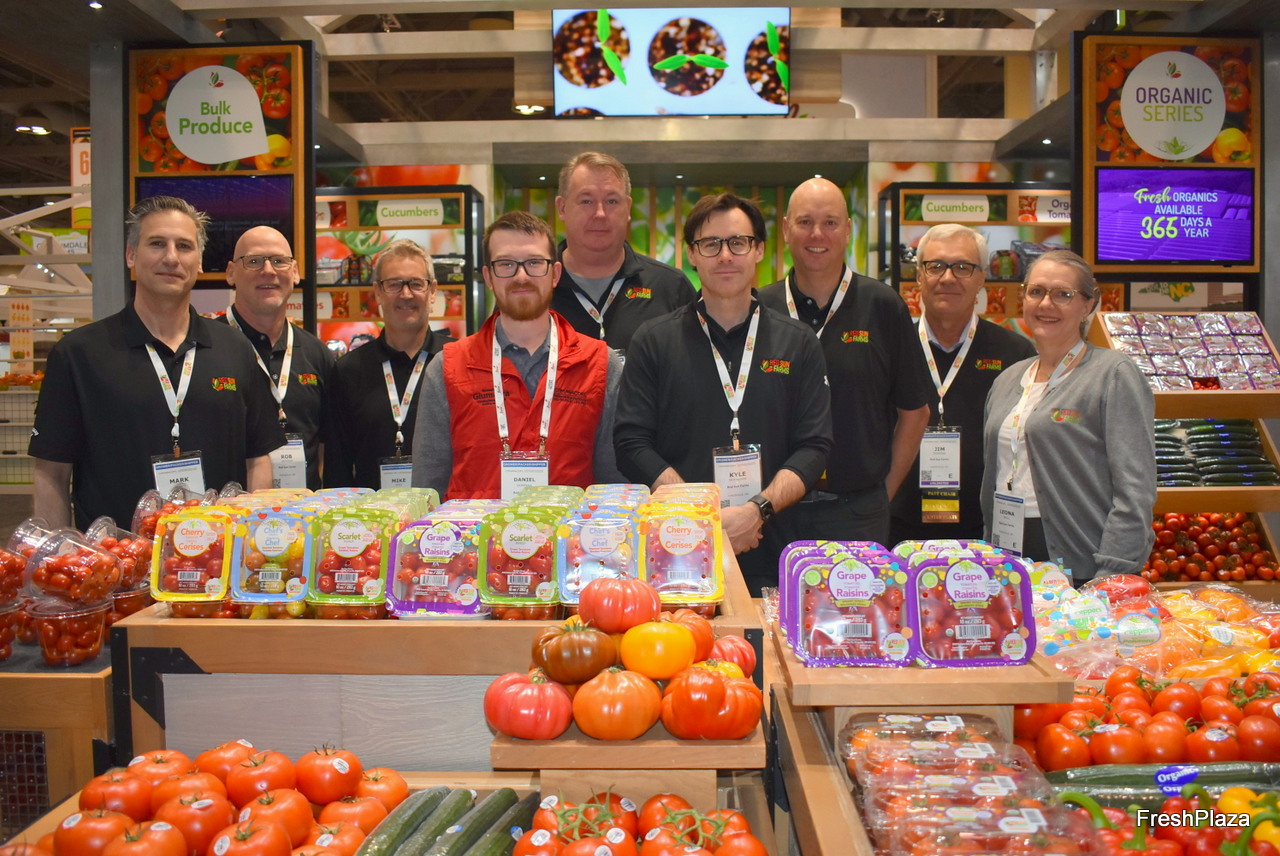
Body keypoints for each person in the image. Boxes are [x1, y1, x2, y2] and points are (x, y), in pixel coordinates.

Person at [615, 193, 832, 594]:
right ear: (692, 255)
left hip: (774, 547)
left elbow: (815, 446)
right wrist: (697, 512)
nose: (725, 256)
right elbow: (631, 442)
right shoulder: (654, 340)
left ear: (759, 250)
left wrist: (757, 511)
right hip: (677, 547)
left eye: (738, 242)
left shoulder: (798, 342)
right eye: (710, 244)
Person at [30, 196, 283, 530]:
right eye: (157, 243)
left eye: (184, 246)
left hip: (216, 555)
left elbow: (258, 458)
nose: (171, 257)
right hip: (117, 557)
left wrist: (250, 539)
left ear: (199, 261)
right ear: (131, 255)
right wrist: (59, 553)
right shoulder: (78, 354)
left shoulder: (234, 349)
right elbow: (51, 472)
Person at [759, 178, 933, 546]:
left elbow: (915, 412)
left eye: (830, 222)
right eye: (805, 222)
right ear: (786, 229)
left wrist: (880, 497)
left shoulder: (882, 305)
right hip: (774, 515)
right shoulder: (761, 308)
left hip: (857, 514)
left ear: (848, 230)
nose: (817, 234)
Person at [413, 211, 623, 499]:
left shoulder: (600, 364)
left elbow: (614, 487)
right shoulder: (446, 368)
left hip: (567, 529)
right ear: (488, 276)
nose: (521, 276)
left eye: (534, 263)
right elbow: (427, 490)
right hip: (473, 530)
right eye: (506, 264)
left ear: (555, 274)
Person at [981, 249, 1156, 582]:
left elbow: (1135, 490)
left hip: (1083, 561)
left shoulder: (1113, 374)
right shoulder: (1007, 379)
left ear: (1088, 305)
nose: (1046, 304)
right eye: (1036, 291)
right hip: (1007, 557)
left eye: (1063, 294)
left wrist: (1113, 573)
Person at [889, 224, 1036, 544]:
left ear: (982, 278)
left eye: (962, 267)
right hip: (897, 530)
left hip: (985, 532)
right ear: (919, 275)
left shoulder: (1016, 354)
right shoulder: (889, 349)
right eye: (935, 266)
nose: (947, 278)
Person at [324, 239, 454, 489]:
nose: (406, 294)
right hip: (371, 512)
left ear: (432, 291)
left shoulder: (457, 361)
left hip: (444, 511)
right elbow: (337, 465)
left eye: (416, 284)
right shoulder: (349, 370)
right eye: (394, 284)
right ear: (378, 292)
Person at [222, 226, 335, 490]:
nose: (268, 271)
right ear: (231, 273)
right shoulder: (208, 350)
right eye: (253, 261)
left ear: (295, 272)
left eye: (278, 261)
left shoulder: (318, 354)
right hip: (228, 512)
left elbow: (326, 447)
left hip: (304, 511)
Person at [552, 151, 697, 351]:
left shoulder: (671, 287)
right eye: (586, 201)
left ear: (628, 208)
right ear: (562, 207)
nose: (600, 213)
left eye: (612, 201)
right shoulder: (534, 286)